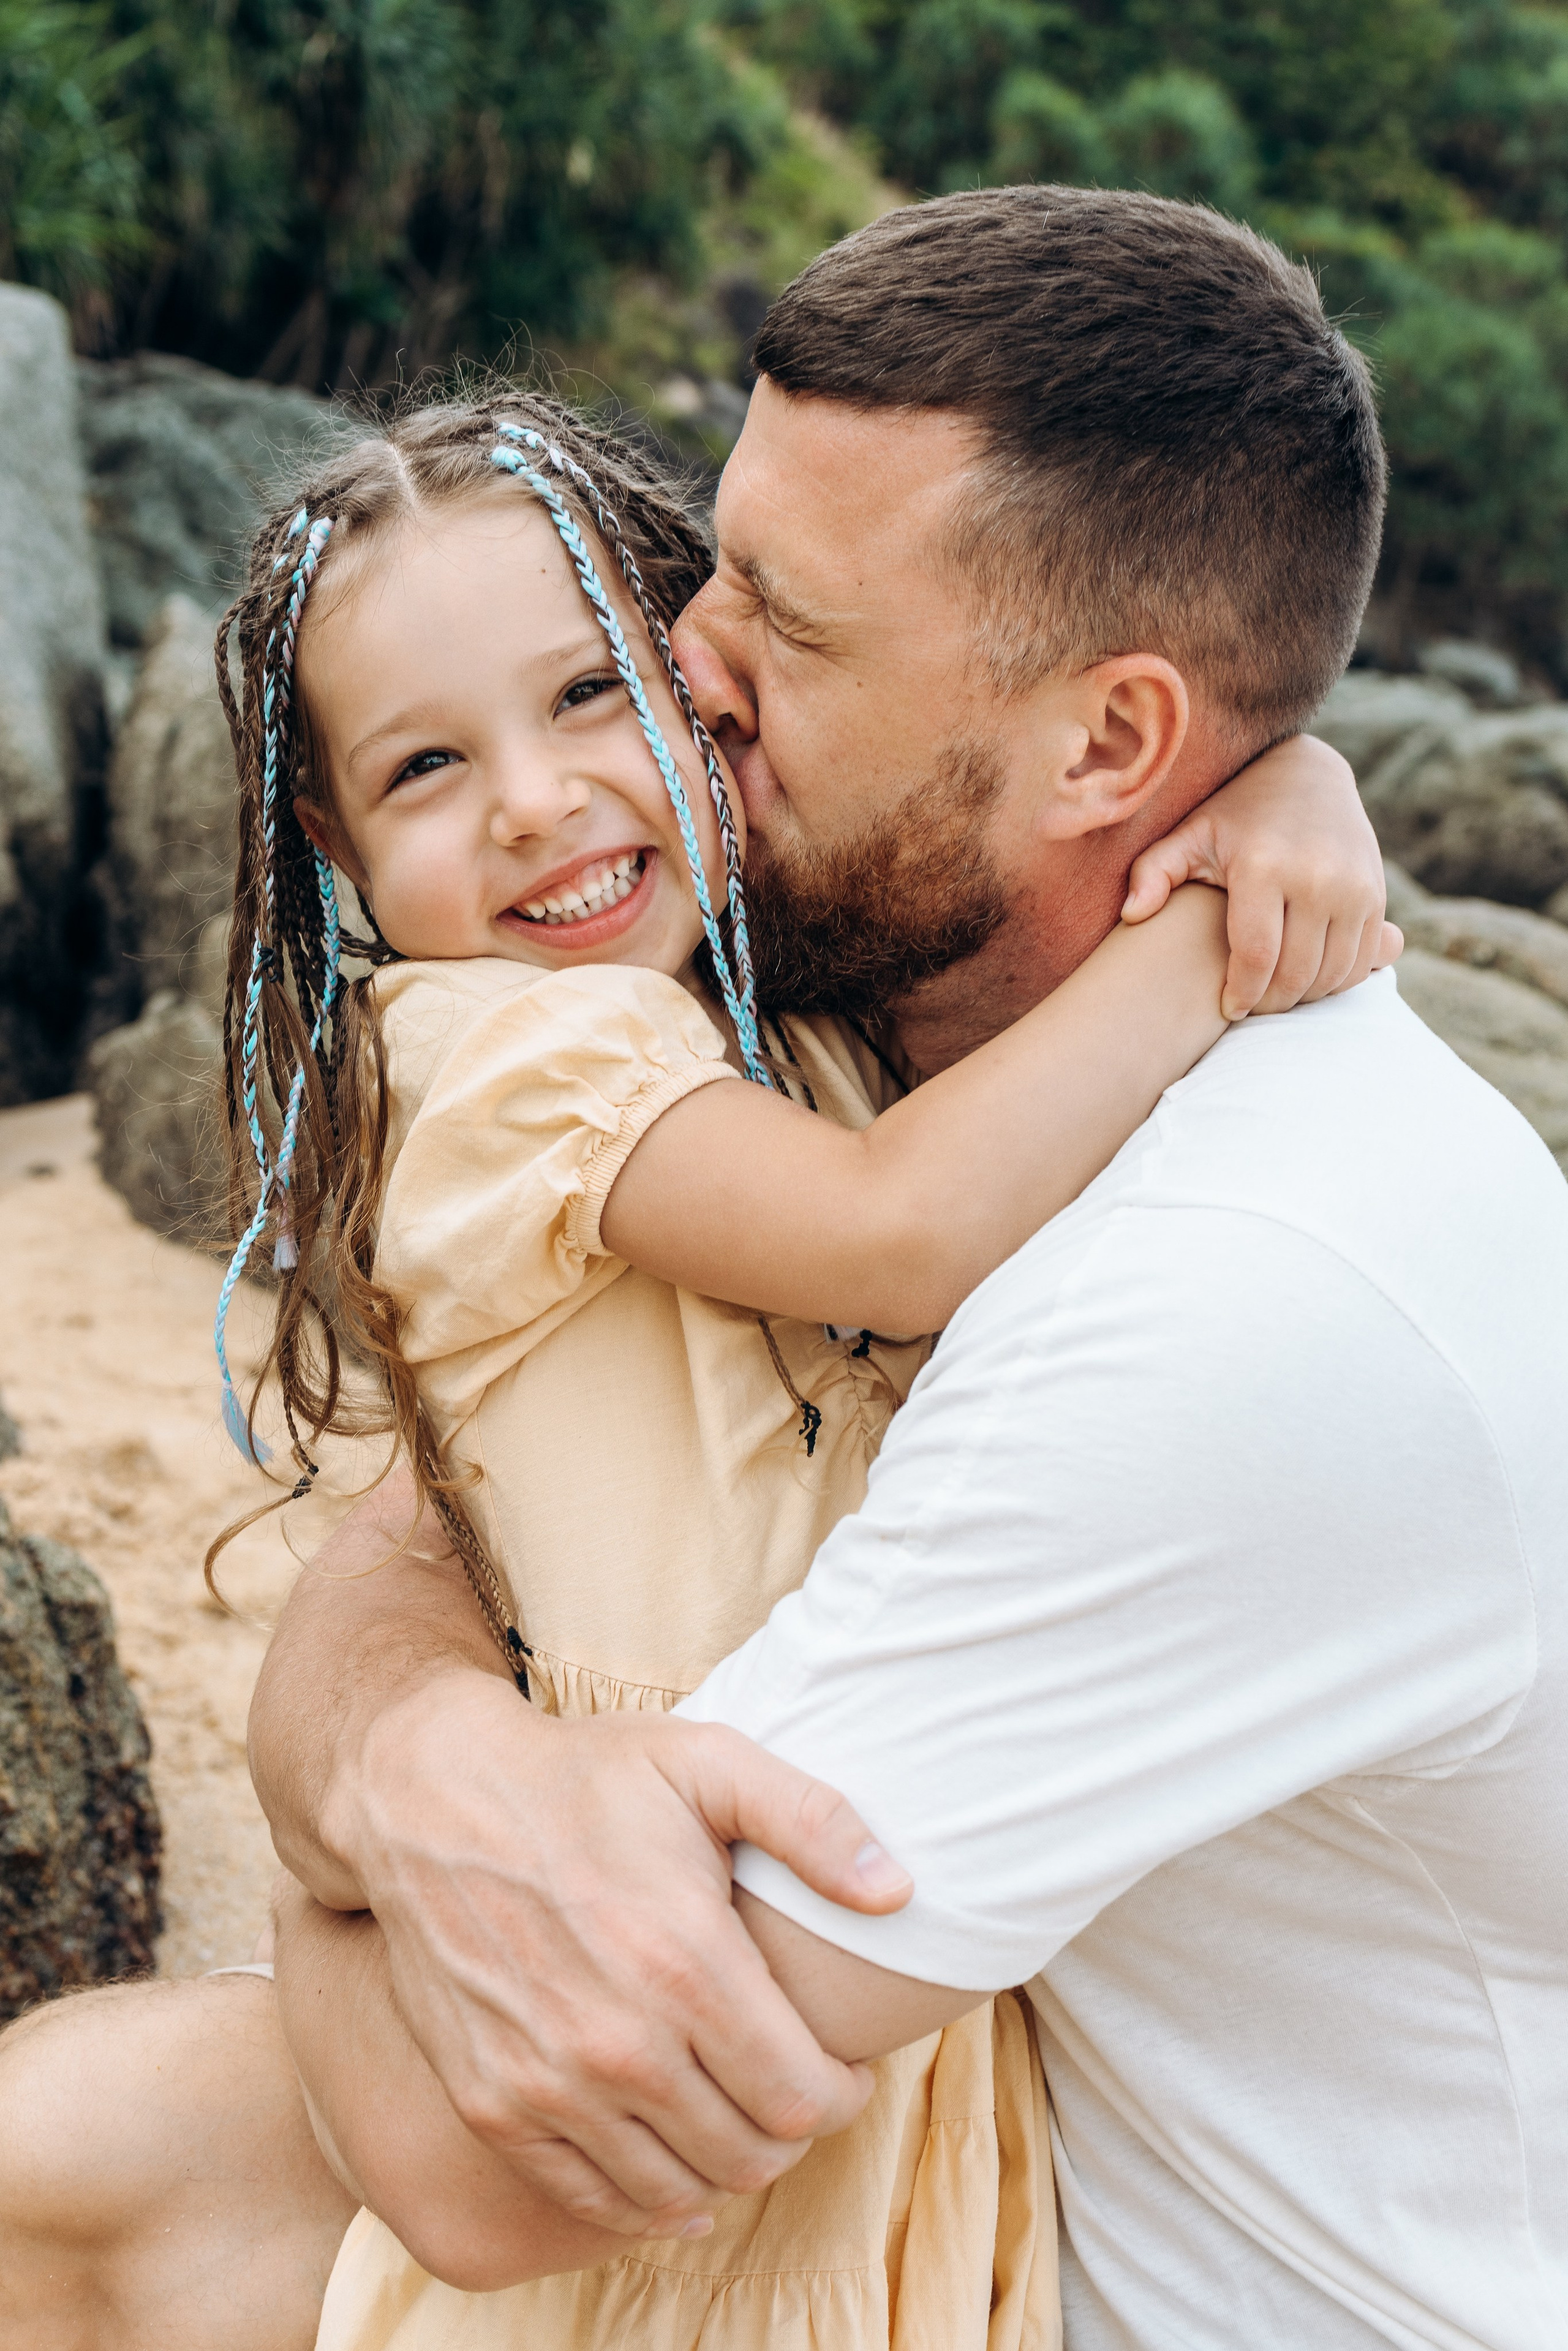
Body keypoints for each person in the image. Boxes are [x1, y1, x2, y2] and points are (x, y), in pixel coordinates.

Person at [0, 353, 1385, 2351]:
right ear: (335, 846)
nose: (540, 799)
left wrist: (1283, 763)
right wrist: (1224, 909)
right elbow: (894, 1239)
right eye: (424, 769)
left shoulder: (768, 1022)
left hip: (875, 2009)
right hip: (639, 1935)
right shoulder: (499, 1055)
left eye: (585, 695)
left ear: (704, 685)